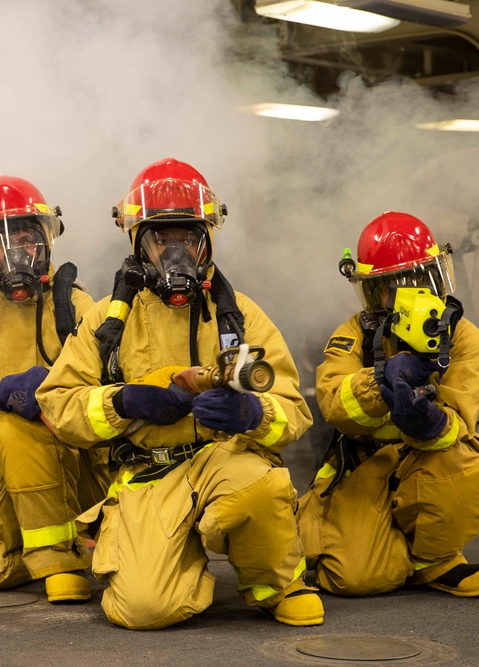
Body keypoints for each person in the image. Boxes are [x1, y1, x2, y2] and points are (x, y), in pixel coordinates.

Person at [35, 158, 320, 630]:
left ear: (206, 240)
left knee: (260, 484)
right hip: (149, 470)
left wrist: (252, 413)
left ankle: (277, 585)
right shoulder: (107, 320)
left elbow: (293, 408)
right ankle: (177, 566)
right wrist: (123, 402)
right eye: (160, 238)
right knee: (144, 610)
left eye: (187, 238)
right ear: (138, 243)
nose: (175, 252)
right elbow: (58, 403)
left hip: (222, 459)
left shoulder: (239, 316)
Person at [297, 211, 479, 598]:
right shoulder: (355, 334)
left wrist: (430, 421)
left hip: (429, 458)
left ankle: (436, 561)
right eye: (393, 287)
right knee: (357, 580)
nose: (411, 295)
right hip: (365, 464)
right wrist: (380, 384)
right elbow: (334, 405)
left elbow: (459, 425)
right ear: (372, 292)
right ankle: (390, 552)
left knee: (466, 459)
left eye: (419, 281)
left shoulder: (464, 338)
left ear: (438, 279)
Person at [0, 176, 111, 603]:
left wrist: (48, 390)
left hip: (83, 463)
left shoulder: (78, 309)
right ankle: (39, 548)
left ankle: (60, 562)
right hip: (9, 469)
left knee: (16, 429)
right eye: (0, 243)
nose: (14, 253)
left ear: (46, 241)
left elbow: (113, 391)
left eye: (25, 239)